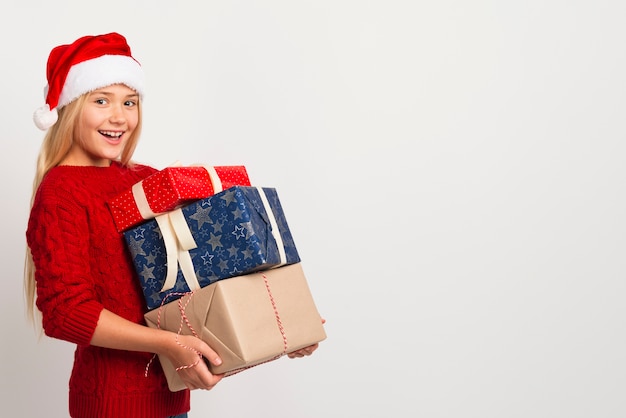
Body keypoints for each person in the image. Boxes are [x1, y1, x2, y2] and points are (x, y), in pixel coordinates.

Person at [24, 32, 320, 418]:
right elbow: (66, 312)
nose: (119, 116)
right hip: (112, 403)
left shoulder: (145, 181)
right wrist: (169, 343)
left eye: (129, 102)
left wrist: (283, 325)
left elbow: (204, 273)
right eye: (101, 101)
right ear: (69, 108)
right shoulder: (61, 192)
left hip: (171, 398)